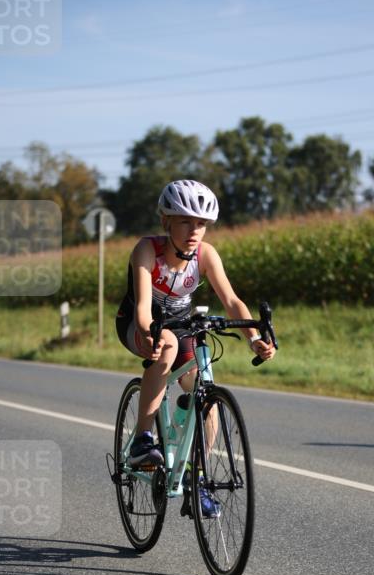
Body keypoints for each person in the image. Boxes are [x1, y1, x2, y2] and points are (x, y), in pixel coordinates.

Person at [116, 179, 276, 508]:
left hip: (181, 324)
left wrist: (255, 339)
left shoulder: (205, 254)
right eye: (185, 222)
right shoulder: (147, 250)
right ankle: (142, 441)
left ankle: (196, 478)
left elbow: (231, 301)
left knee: (206, 397)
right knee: (167, 345)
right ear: (166, 222)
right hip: (138, 323)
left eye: (201, 224)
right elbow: (143, 307)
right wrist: (148, 332)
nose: (194, 231)